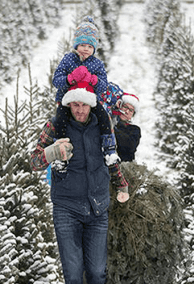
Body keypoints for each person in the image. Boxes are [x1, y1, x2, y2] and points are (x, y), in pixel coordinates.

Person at [30, 80, 130, 284]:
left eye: (84, 105)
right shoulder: (56, 124)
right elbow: (34, 161)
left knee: (97, 271)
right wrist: (53, 151)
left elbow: (111, 157)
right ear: (68, 104)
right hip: (66, 207)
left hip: (97, 206)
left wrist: (122, 186)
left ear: (91, 104)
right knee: (73, 272)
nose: (80, 110)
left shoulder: (101, 123)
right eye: (75, 104)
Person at [50, 16, 118, 174]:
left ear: (94, 48)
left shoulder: (97, 64)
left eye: (89, 46)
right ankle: (60, 155)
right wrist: (70, 78)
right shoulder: (68, 59)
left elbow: (103, 86)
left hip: (89, 101)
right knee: (60, 120)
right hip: (68, 101)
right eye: (82, 45)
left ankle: (109, 150)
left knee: (103, 117)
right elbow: (56, 80)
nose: (85, 49)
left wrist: (92, 79)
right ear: (76, 45)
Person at [100, 83, 141, 162]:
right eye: (125, 107)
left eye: (131, 110)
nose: (127, 111)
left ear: (133, 115)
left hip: (124, 166)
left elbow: (128, 146)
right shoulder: (109, 120)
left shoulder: (135, 129)